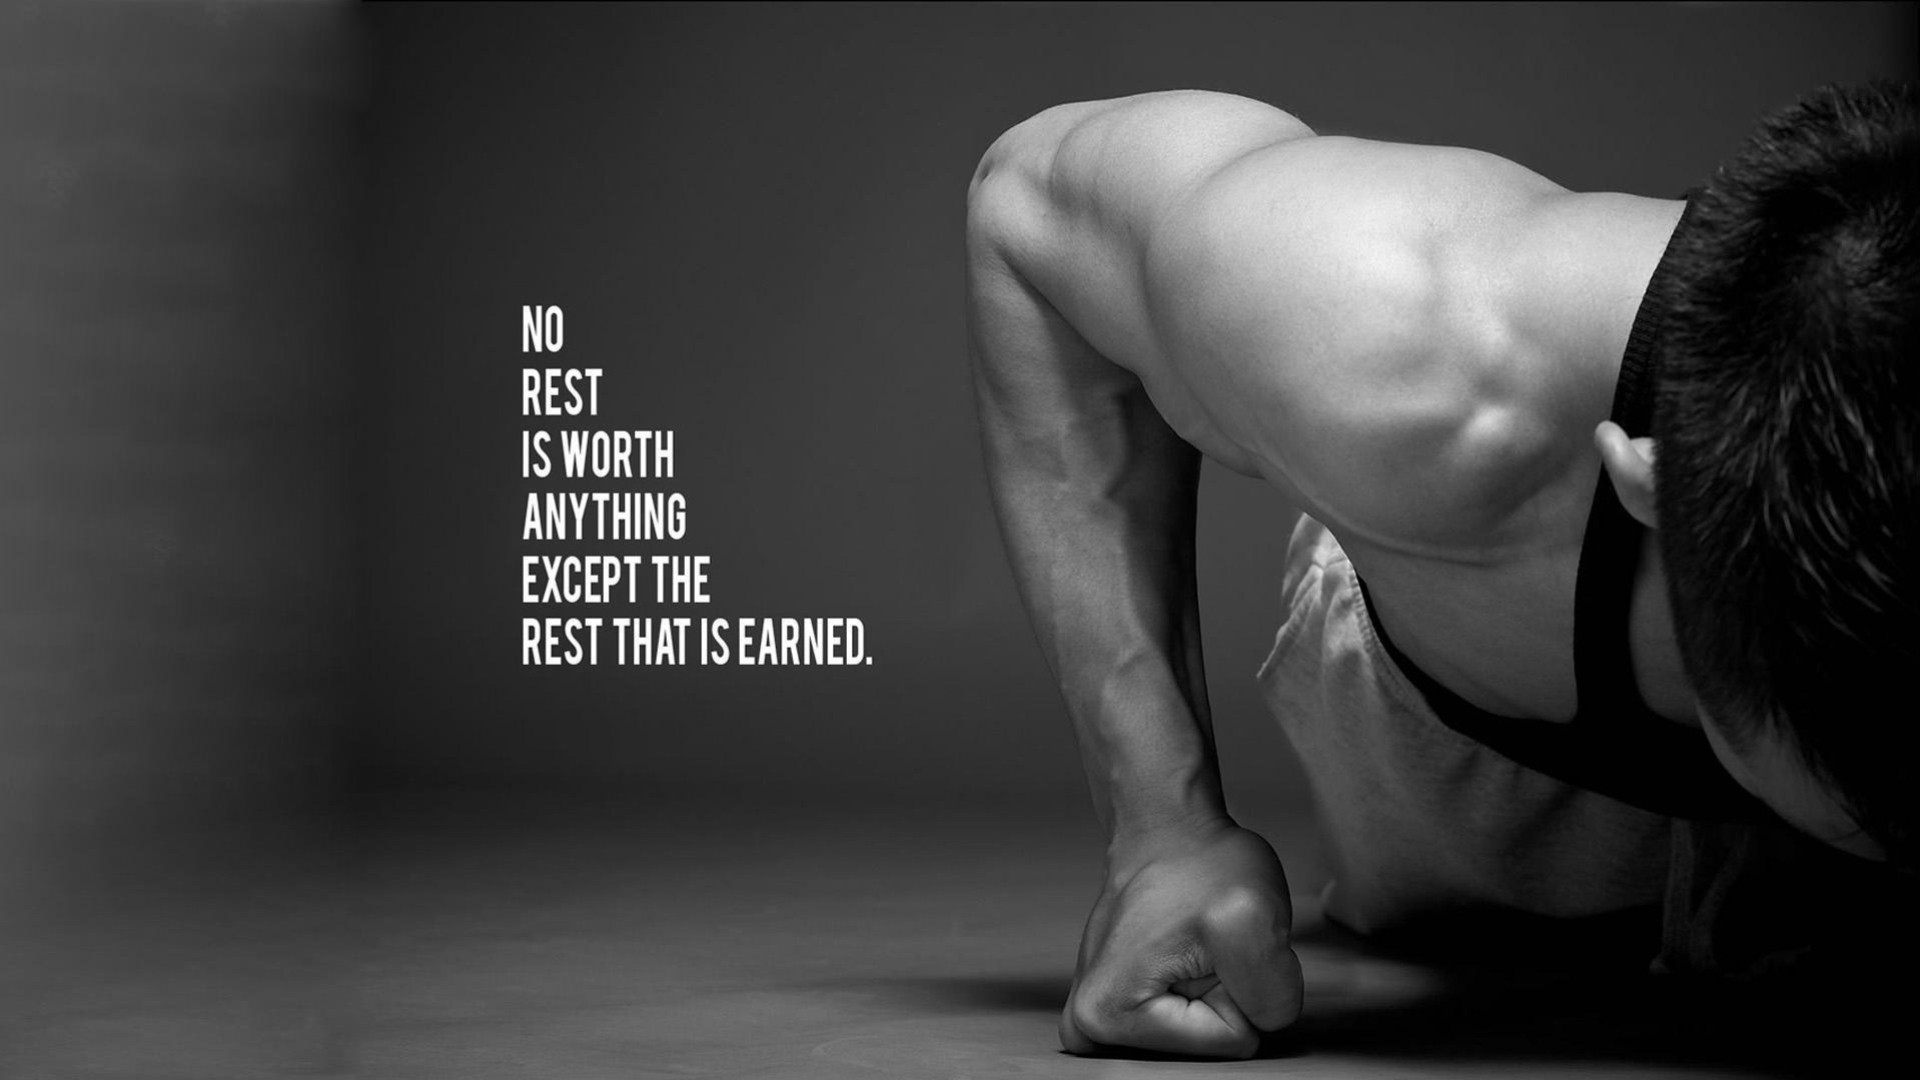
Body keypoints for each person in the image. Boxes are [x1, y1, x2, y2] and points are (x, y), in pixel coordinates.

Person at [964, 82, 1916, 1059]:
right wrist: (1160, 828)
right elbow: (1029, 200)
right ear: (1658, 494)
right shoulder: (1402, 344)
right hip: (1478, 654)